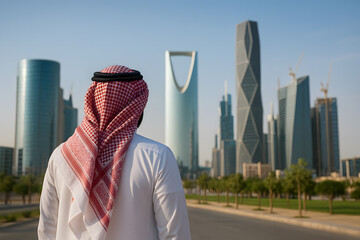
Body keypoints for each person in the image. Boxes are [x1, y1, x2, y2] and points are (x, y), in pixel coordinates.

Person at [38, 65, 191, 240]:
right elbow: (175, 235)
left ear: (93, 102)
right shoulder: (158, 156)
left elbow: (46, 230)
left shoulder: (60, 156)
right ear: (137, 106)